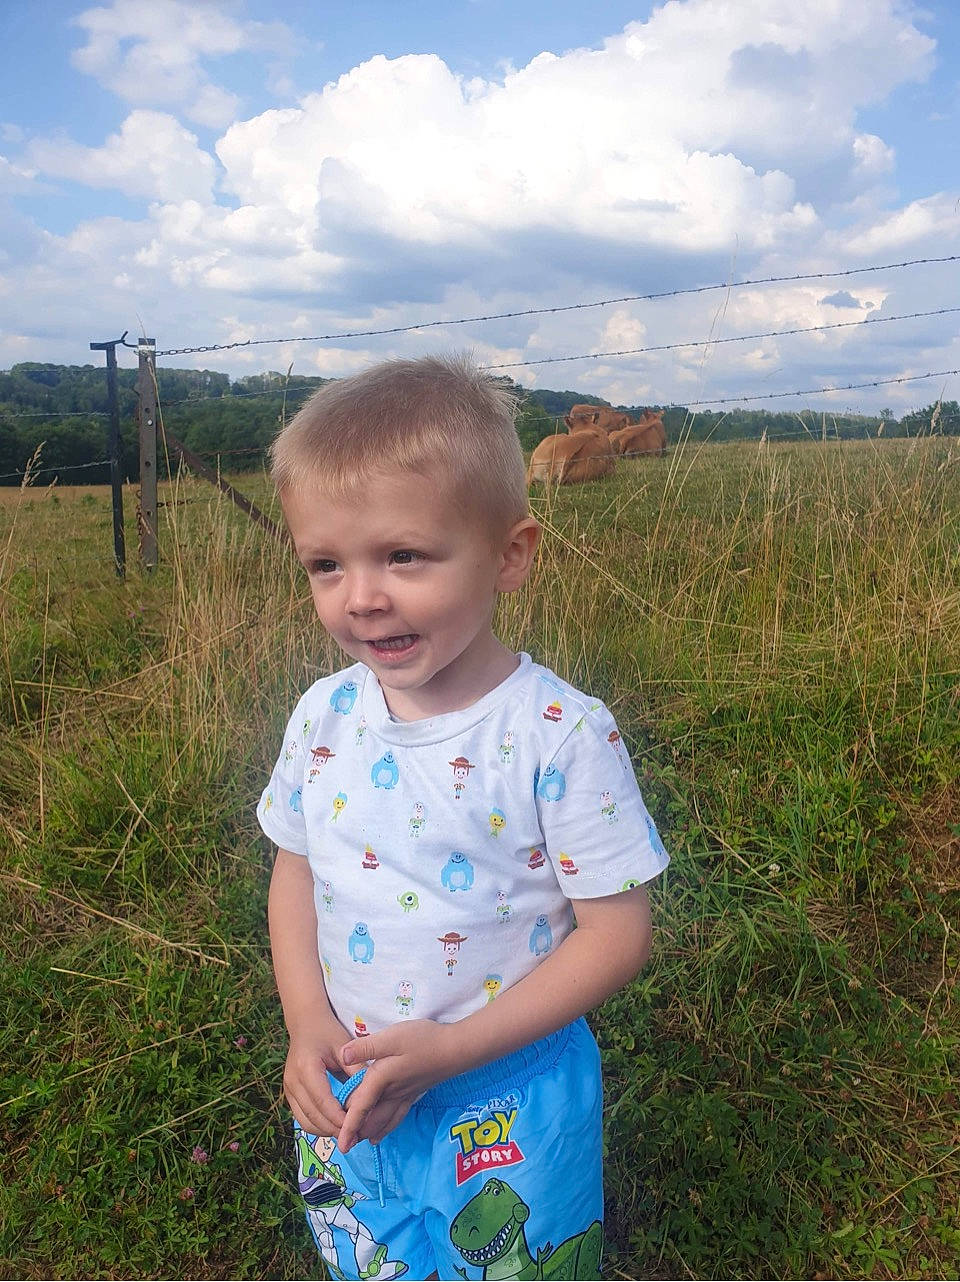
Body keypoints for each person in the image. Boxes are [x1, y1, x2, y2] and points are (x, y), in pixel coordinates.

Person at [257, 354, 670, 1281]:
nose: (362, 596)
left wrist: (454, 1051)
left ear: (510, 555)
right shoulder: (324, 716)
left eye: (403, 555)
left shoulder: (556, 734)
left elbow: (617, 933)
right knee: (372, 1256)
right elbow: (296, 868)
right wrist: (306, 1022)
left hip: (506, 1094)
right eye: (327, 564)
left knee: (511, 1261)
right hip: (351, 1081)